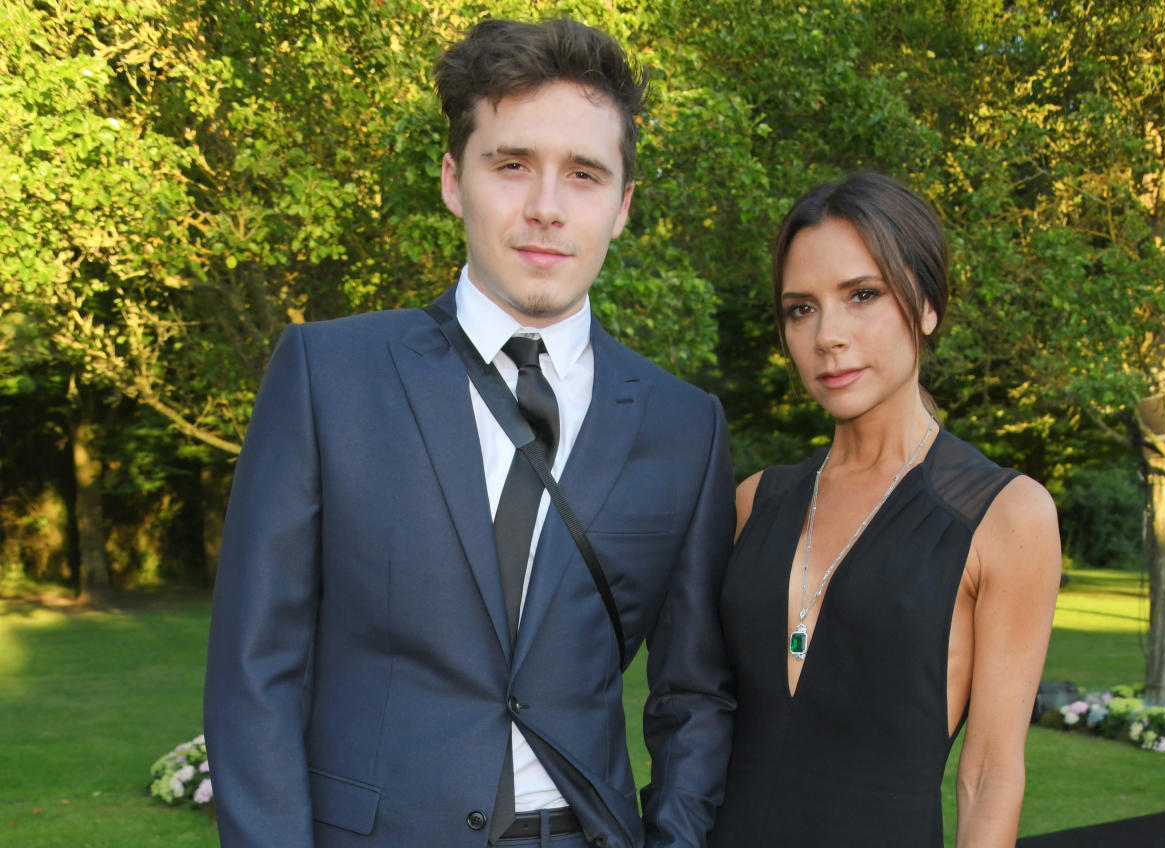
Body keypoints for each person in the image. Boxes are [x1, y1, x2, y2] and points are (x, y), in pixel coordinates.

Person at [203, 18, 736, 848]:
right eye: (512, 164)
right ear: (455, 179)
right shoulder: (327, 375)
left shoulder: (684, 425)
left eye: (585, 175)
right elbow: (254, 672)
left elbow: (693, 695)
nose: (546, 208)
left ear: (624, 206)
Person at [706, 173, 1061, 847]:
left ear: (926, 305)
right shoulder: (755, 502)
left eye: (861, 295)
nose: (827, 336)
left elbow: (990, 774)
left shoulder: (1005, 516)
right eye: (800, 309)